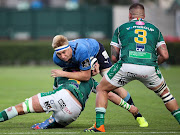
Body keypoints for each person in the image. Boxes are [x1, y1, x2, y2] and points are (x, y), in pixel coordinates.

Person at [84, 3, 180, 132]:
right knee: (166, 95)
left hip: (126, 66)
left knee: (101, 88)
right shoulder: (155, 29)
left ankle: (99, 126)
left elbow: (114, 57)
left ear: (130, 15)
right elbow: (165, 55)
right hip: (150, 68)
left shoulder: (121, 28)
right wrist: (153, 64)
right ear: (144, 15)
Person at [50, 35, 148, 127]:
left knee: (114, 86)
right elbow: (80, 72)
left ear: (69, 48)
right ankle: (57, 114)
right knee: (99, 89)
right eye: (59, 54)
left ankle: (137, 114)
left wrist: (92, 66)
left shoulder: (81, 50)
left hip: (96, 51)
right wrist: (88, 70)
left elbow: (85, 76)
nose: (62, 56)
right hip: (84, 60)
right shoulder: (57, 60)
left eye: (64, 52)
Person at [0, 76, 138, 129]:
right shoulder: (94, 83)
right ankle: (52, 122)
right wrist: (129, 107)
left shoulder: (61, 73)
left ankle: (51, 120)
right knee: (59, 118)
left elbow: (54, 93)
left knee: (20, 108)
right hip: (73, 113)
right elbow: (111, 96)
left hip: (60, 97)